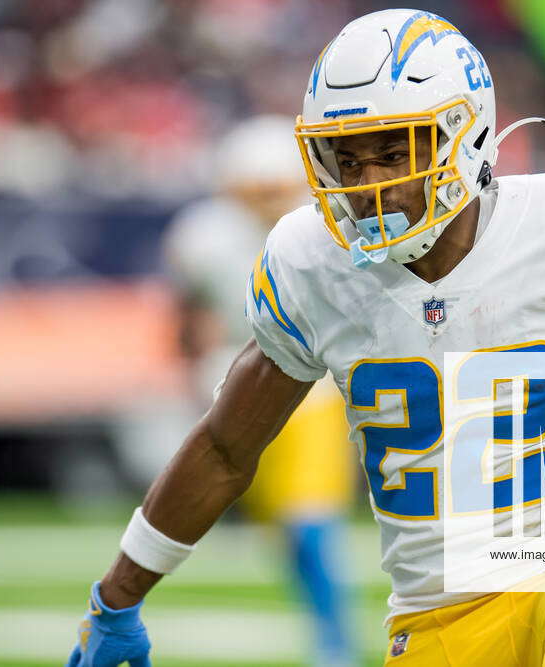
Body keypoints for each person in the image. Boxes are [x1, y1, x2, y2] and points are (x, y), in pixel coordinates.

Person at [66, 9, 545, 666]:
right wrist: (116, 597)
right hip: (432, 615)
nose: (371, 185)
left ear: (466, 134)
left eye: (396, 150)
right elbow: (225, 445)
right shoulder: (312, 265)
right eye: (349, 160)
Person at [162, 115, 356, 667]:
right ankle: (328, 636)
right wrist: (195, 377)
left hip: (313, 393)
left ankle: (335, 645)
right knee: (287, 535)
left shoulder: (323, 229)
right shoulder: (204, 235)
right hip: (238, 386)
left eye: (275, 187)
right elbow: (186, 319)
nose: (267, 199)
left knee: (311, 526)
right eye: (256, 188)